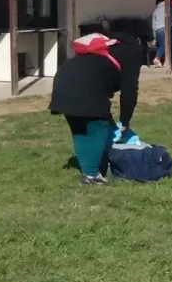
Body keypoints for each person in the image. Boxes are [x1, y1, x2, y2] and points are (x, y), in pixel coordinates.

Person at [49, 30, 142, 185]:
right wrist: (125, 121)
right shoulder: (132, 53)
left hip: (63, 80)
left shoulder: (106, 47)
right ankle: (91, 175)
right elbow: (129, 91)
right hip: (86, 87)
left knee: (80, 130)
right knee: (97, 127)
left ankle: (90, 170)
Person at [151, 0, 172, 67]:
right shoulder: (171, 6)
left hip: (159, 29)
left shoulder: (156, 11)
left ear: (157, 4)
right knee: (170, 44)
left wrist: (155, 37)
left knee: (161, 44)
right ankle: (161, 59)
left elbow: (153, 26)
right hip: (171, 26)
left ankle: (162, 60)